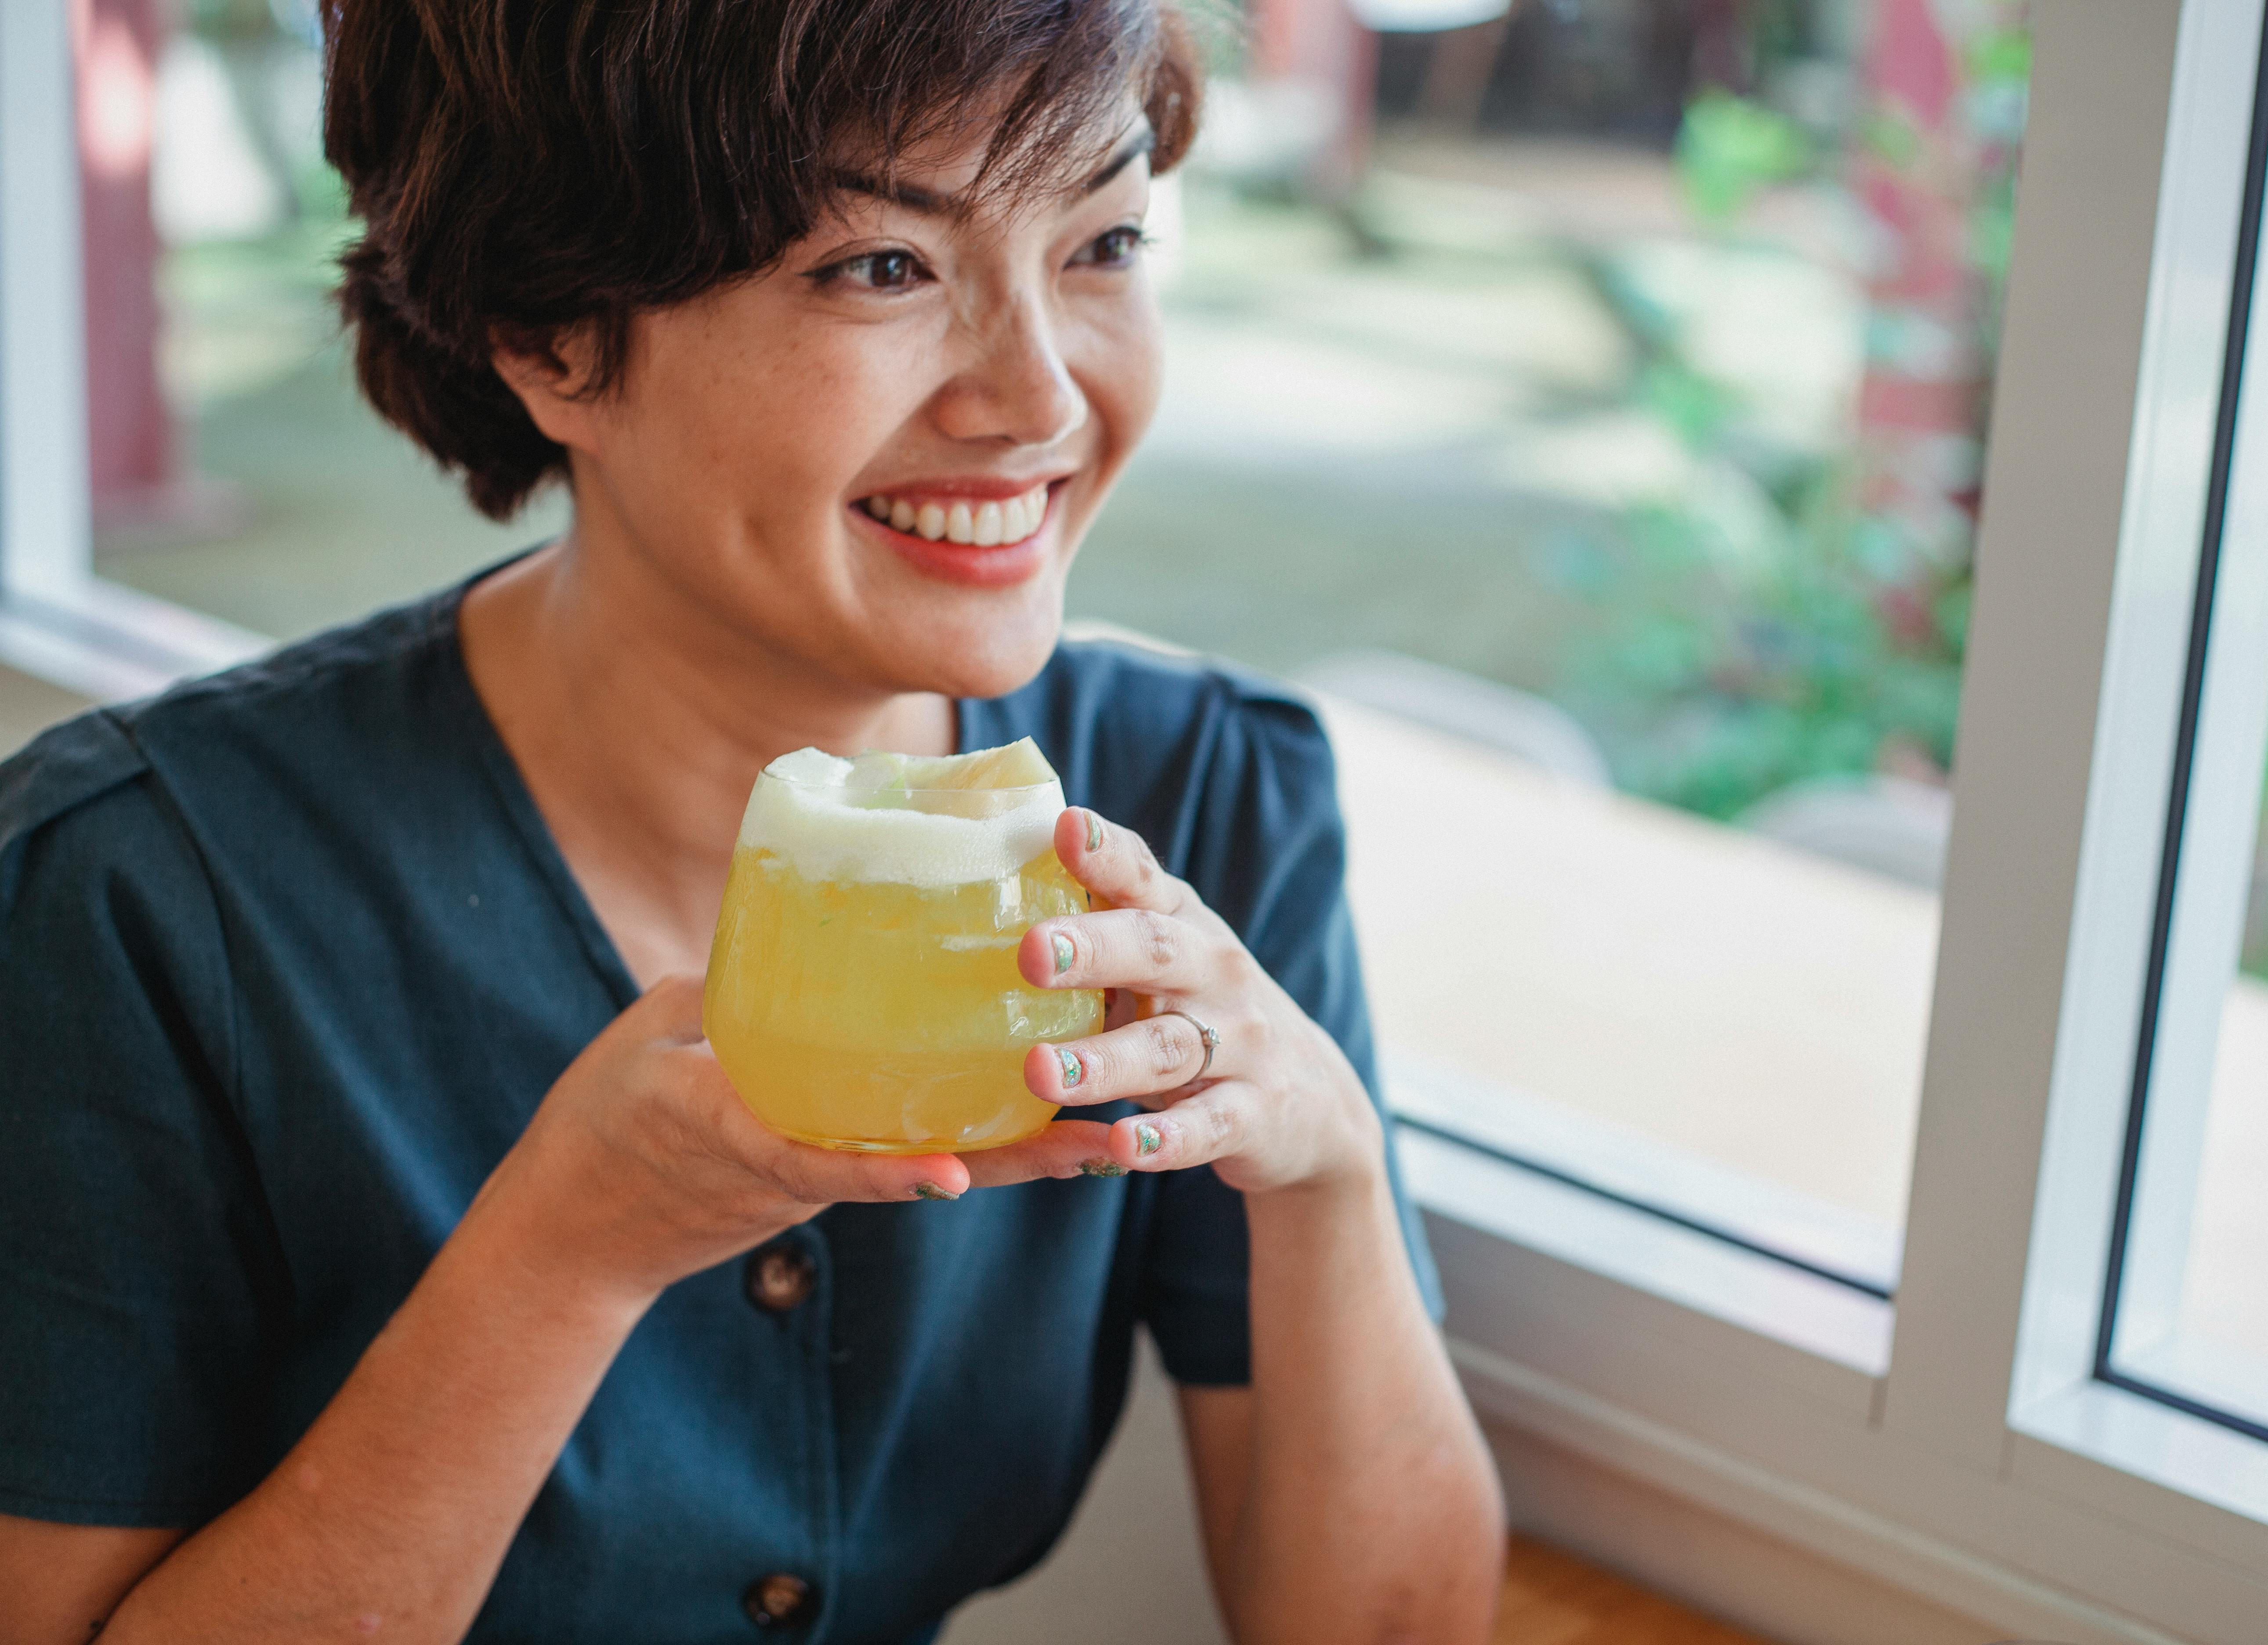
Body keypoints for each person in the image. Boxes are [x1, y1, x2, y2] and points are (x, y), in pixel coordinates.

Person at [0, 0, 1506, 1640]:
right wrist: (564, 1259)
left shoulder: (1203, 799)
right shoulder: (133, 896)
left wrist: (1328, 1171)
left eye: (1106, 241)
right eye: (883, 267)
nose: (1039, 398)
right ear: (550, 333)